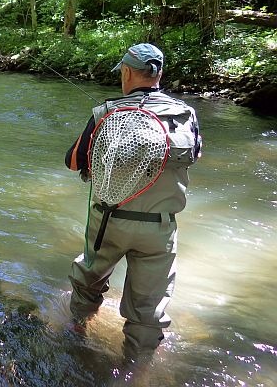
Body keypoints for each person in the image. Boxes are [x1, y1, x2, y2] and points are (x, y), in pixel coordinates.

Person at [63, 43, 202, 366]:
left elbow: (72, 162)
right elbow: (195, 156)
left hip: (108, 222)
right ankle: (138, 369)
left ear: (126, 72)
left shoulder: (105, 112)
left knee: (89, 280)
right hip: (160, 227)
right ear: (159, 74)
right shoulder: (186, 114)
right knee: (149, 306)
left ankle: (77, 332)